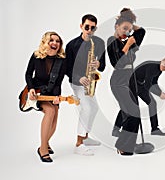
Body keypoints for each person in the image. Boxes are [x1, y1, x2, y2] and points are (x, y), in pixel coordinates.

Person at [65, 14, 106, 155]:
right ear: (81, 26)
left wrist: (99, 63)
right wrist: (79, 77)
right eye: (87, 27)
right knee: (87, 108)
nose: (89, 30)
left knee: (93, 108)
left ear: (96, 28)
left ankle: (86, 136)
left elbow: (103, 67)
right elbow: (66, 68)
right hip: (76, 82)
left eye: (92, 28)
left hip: (90, 81)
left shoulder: (99, 43)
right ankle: (79, 143)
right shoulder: (72, 45)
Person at [107, 8, 145, 155]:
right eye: (124, 28)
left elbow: (142, 32)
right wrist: (128, 45)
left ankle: (129, 144)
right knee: (132, 112)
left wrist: (128, 21)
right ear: (116, 27)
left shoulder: (129, 38)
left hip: (131, 79)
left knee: (135, 112)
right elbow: (116, 63)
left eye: (129, 30)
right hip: (118, 80)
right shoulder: (112, 41)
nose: (127, 32)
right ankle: (122, 145)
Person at [25, 31, 66, 163]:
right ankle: (43, 149)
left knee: (55, 118)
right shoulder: (37, 56)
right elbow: (28, 73)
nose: (55, 43)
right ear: (46, 42)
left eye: (57, 41)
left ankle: (46, 142)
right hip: (37, 92)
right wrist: (31, 88)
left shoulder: (62, 60)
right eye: (51, 40)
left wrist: (57, 96)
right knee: (50, 111)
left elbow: (59, 81)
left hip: (52, 92)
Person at [112, 56, 165, 137]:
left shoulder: (159, 70)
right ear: (162, 60)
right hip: (132, 84)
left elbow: (154, 83)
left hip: (140, 85)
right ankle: (116, 129)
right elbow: (148, 85)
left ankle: (154, 129)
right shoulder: (152, 66)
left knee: (152, 103)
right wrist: (159, 94)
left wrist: (160, 92)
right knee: (129, 107)